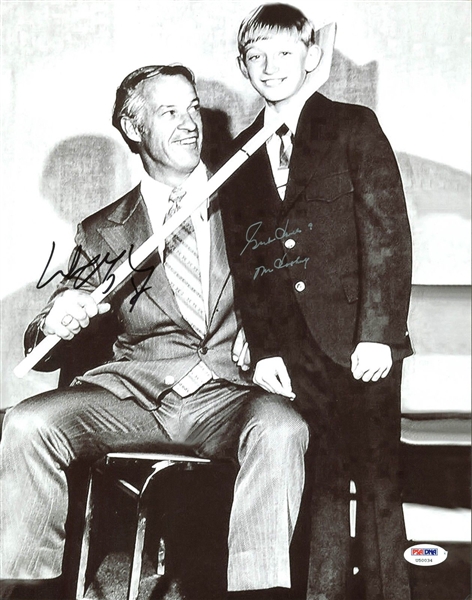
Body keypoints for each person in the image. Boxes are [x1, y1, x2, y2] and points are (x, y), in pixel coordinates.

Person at [0, 64, 309, 600]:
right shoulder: (103, 230)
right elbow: (46, 343)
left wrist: (264, 336)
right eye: (170, 111)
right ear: (133, 126)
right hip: (133, 398)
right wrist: (56, 316)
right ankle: (26, 590)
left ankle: (260, 593)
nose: (191, 122)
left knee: (282, 429)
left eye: (193, 107)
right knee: (27, 425)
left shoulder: (245, 206)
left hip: (225, 394)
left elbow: (293, 295)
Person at [220, 4, 413, 600]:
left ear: (311, 57)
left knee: (377, 482)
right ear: (243, 67)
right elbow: (248, 262)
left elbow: (387, 234)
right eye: (256, 56)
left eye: (283, 53)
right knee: (320, 478)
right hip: (294, 350)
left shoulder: (353, 125)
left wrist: (378, 332)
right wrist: (266, 349)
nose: (270, 67)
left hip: (361, 342)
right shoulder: (240, 151)